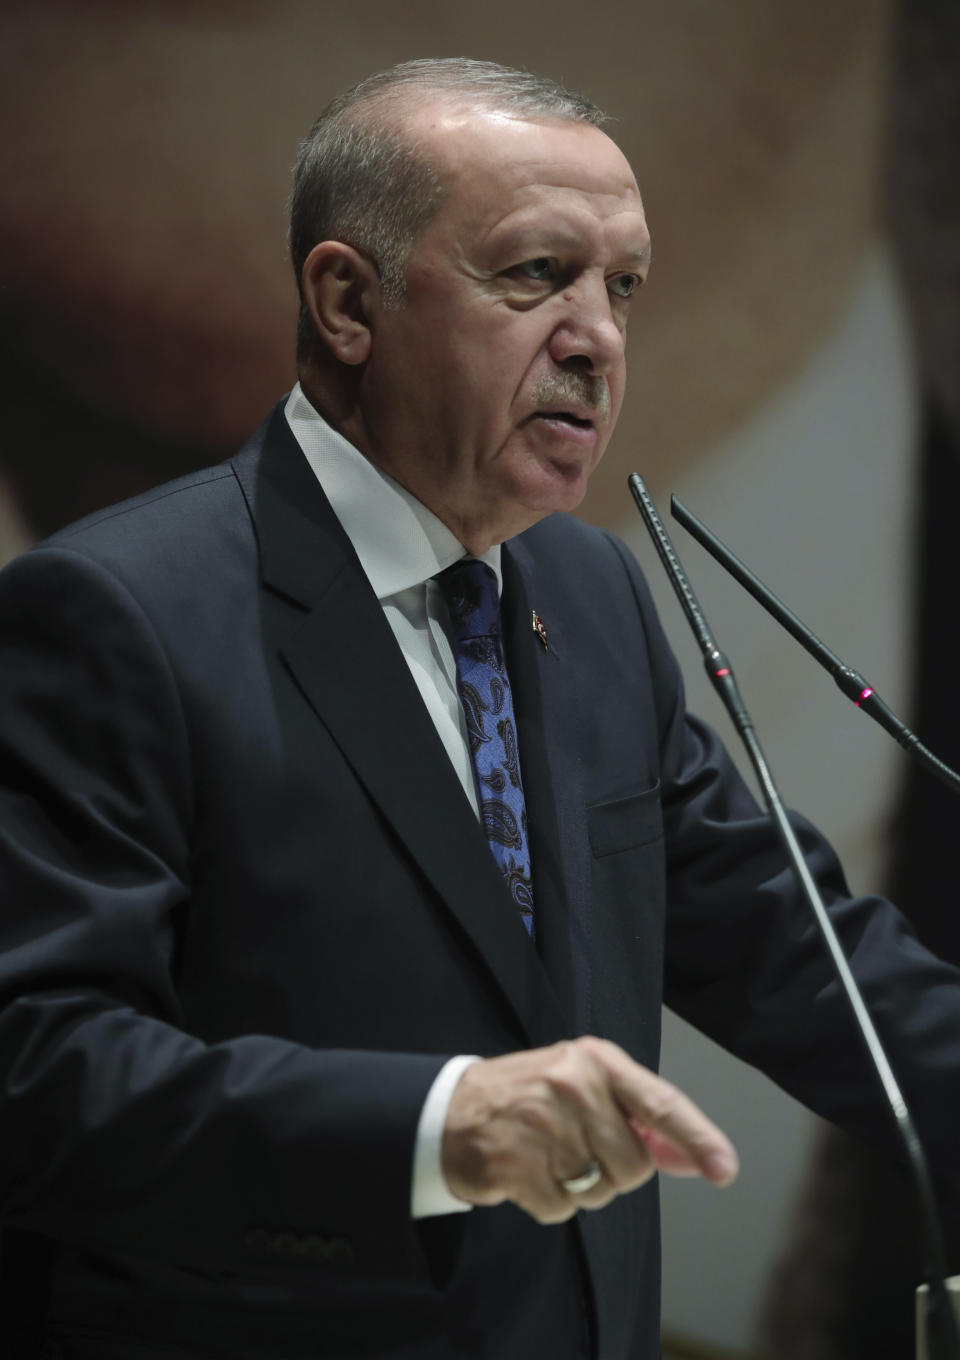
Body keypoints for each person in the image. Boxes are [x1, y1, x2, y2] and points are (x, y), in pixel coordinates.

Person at [0, 57, 957, 1360]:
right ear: (347, 300)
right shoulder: (118, 615)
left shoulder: (589, 591)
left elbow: (788, 946)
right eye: (534, 275)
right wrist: (438, 1123)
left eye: (619, 286)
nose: (596, 337)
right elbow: (41, 1071)